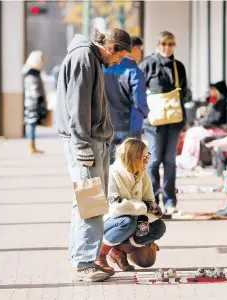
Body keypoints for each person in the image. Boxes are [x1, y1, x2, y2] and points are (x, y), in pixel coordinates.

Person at [56, 28, 131, 282]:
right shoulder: (84, 58)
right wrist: (82, 145)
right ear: (111, 48)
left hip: (90, 140)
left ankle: (81, 258)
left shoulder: (89, 58)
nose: (117, 63)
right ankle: (84, 262)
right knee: (91, 202)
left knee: (87, 202)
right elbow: (77, 106)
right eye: (120, 57)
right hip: (84, 141)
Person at [96, 138, 166, 274]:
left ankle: (119, 250)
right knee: (126, 223)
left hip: (135, 219)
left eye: (148, 156)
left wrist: (146, 212)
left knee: (159, 227)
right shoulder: (112, 173)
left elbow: (151, 204)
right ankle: (100, 254)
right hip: (109, 221)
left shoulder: (143, 174)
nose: (147, 161)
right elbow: (116, 209)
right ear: (132, 158)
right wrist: (142, 207)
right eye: (143, 157)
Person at [140, 31, 191, 215]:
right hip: (153, 121)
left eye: (171, 44)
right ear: (157, 44)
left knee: (170, 160)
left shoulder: (178, 66)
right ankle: (153, 200)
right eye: (163, 44)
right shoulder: (148, 63)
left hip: (174, 119)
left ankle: (170, 201)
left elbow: (184, 92)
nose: (167, 47)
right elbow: (137, 89)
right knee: (154, 161)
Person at [104, 36, 149, 163]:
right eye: (141, 49)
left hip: (108, 123)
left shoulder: (105, 69)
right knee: (132, 165)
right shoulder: (134, 71)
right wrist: (146, 113)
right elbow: (139, 101)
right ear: (134, 49)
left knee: (108, 165)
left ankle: (110, 184)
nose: (141, 53)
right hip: (130, 124)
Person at [176, 81, 227, 170]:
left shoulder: (221, 103)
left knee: (193, 133)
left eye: (213, 90)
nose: (210, 92)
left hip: (216, 129)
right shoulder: (215, 102)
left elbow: (215, 119)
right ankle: (188, 158)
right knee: (191, 132)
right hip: (210, 127)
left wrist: (202, 123)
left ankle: (190, 160)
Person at [23, 50, 48, 154]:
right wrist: (39, 98)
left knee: (32, 124)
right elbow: (34, 90)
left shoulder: (33, 72)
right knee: (31, 123)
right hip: (32, 103)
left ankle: (32, 145)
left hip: (33, 102)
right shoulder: (31, 74)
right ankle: (31, 146)